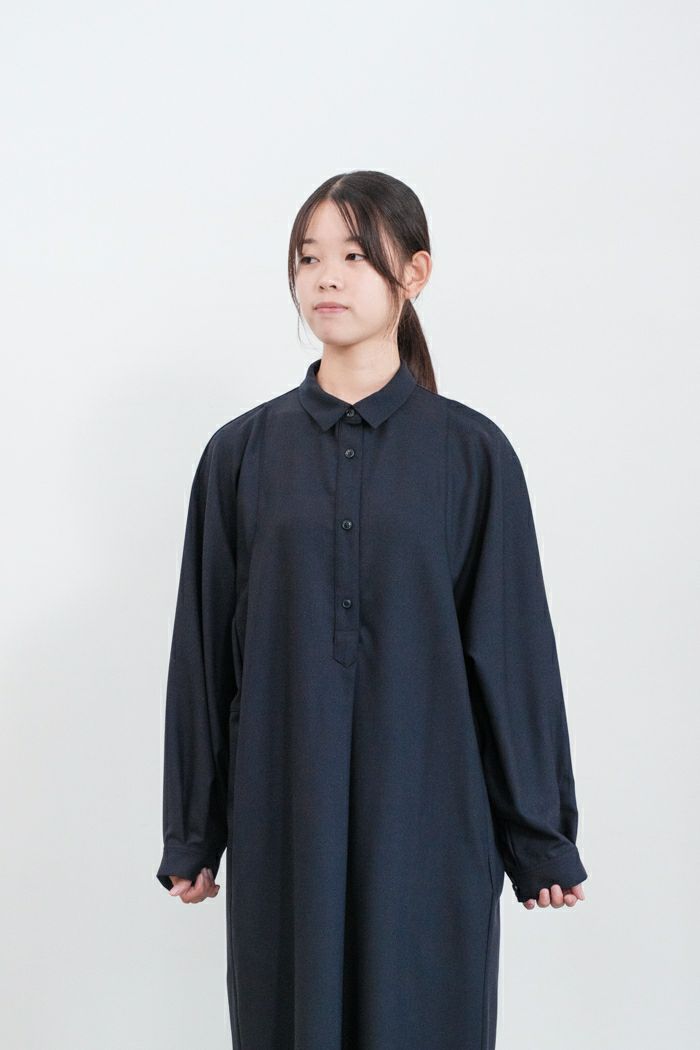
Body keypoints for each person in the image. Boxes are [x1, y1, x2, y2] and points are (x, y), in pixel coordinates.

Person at [155, 170, 588, 1050]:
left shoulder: (472, 454)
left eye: (355, 256)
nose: (327, 277)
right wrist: (194, 832)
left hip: (431, 812)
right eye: (309, 257)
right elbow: (204, 653)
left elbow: (511, 652)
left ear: (414, 273)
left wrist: (539, 836)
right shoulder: (241, 454)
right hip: (286, 809)